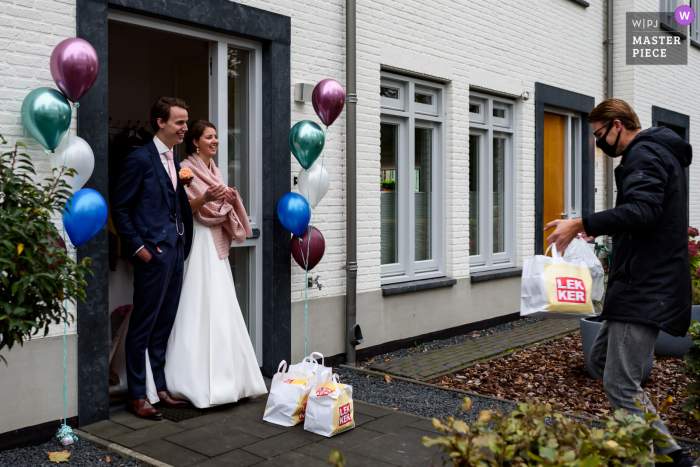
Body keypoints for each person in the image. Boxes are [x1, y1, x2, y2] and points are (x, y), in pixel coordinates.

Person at [545, 99, 693, 466]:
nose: (599, 144)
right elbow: (646, 217)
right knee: (599, 359)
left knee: (620, 383)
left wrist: (583, 223)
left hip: (646, 288)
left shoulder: (643, 156)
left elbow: (643, 210)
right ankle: (671, 454)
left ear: (616, 125)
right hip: (641, 284)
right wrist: (604, 234)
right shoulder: (657, 152)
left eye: (599, 135)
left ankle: (649, 457)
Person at [161, 120, 267, 408]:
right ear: (195, 142)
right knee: (197, 303)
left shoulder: (215, 171)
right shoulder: (185, 169)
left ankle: (231, 378)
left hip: (215, 243)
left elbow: (218, 204)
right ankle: (191, 380)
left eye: (217, 137)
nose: (216, 141)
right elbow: (181, 208)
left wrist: (228, 200)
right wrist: (206, 198)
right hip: (198, 240)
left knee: (221, 304)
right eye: (210, 137)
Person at [112, 97, 194, 420]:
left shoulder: (174, 159)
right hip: (153, 254)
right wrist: (139, 249)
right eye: (179, 122)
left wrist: (182, 242)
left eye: (186, 122)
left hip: (175, 252)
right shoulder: (139, 159)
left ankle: (158, 388)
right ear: (160, 122)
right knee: (143, 326)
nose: (185, 128)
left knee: (164, 324)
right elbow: (120, 209)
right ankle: (136, 395)